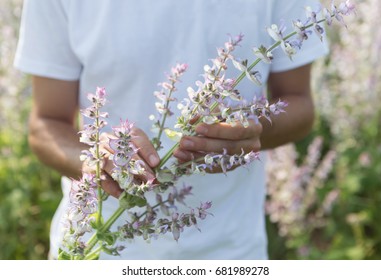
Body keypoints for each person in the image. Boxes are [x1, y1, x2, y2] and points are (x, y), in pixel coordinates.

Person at [14, 0, 328, 259]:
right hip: (95, 250)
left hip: (228, 250)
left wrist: (253, 131)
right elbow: (46, 124)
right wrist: (97, 160)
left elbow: (300, 104)